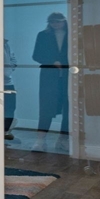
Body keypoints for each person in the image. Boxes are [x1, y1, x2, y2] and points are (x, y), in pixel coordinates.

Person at [32, 12, 69, 152]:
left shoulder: (72, 35)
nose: (56, 24)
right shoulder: (43, 35)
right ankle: (40, 140)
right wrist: (52, 62)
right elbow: (36, 55)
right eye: (53, 22)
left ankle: (63, 140)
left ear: (64, 21)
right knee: (46, 108)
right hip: (49, 77)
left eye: (58, 21)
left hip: (68, 76)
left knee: (68, 108)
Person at [4, 39, 17, 141]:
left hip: (8, 82)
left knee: (11, 107)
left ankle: (6, 131)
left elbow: (13, 59)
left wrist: (10, 69)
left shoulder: (6, 44)